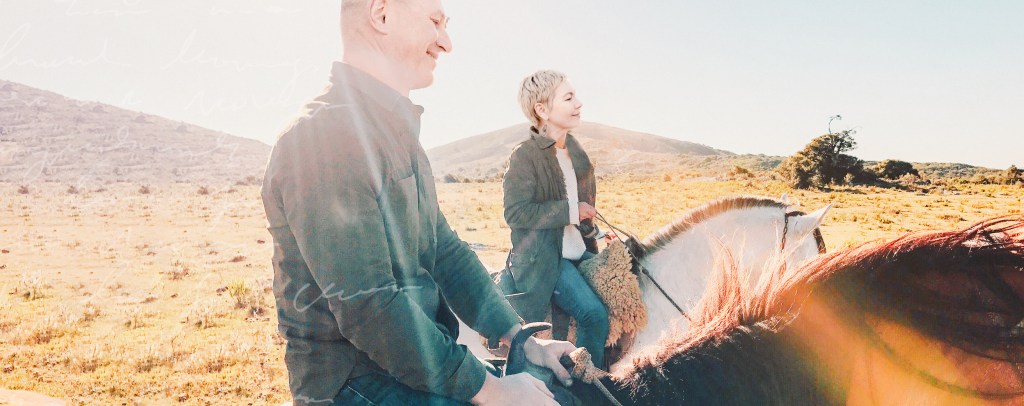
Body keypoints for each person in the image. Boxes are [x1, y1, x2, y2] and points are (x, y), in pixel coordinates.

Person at [260, 1, 575, 405]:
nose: (446, 43)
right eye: (434, 21)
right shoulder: (323, 135)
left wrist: (522, 340)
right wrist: (492, 390)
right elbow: (369, 307)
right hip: (354, 381)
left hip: (411, 360)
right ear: (382, 14)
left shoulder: (395, 130)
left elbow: (445, 252)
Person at [501, 70, 611, 368]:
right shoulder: (525, 156)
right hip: (545, 260)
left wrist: (596, 232)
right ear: (542, 109)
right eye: (568, 97)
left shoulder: (578, 155)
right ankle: (585, 389)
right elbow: (516, 213)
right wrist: (572, 210)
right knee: (594, 315)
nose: (578, 103)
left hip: (581, 254)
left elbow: (579, 218)